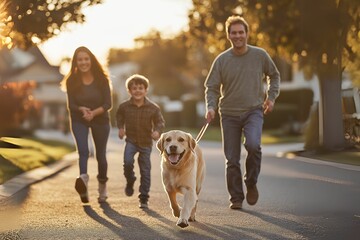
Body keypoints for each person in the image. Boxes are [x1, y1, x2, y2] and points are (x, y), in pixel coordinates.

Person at [204, 15, 280, 210]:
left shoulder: (260, 55)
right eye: (234, 33)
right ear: (228, 35)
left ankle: (251, 182)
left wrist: (271, 98)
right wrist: (210, 107)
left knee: (253, 145)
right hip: (228, 114)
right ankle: (236, 197)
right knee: (232, 159)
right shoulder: (221, 60)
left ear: (247, 34)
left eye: (241, 32)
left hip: (253, 110)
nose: (238, 36)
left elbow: (274, 75)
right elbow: (211, 87)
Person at [61, 46, 112, 204]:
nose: (83, 62)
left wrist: (93, 113)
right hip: (79, 118)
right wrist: (82, 109)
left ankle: (102, 187)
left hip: (100, 119)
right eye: (80, 59)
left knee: (100, 155)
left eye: (86, 59)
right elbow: (71, 105)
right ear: (76, 62)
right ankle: (83, 181)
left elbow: (108, 103)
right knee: (83, 151)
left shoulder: (102, 79)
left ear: (91, 60)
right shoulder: (71, 80)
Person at [116, 74, 165, 209]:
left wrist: (157, 131)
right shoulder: (124, 107)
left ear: (146, 90)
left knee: (145, 170)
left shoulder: (153, 108)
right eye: (134, 88)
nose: (137, 91)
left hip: (146, 142)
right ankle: (130, 180)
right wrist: (121, 128)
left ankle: (143, 198)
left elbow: (160, 122)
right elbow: (119, 117)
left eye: (140, 88)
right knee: (127, 162)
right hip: (131, 140)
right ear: (129, 91)